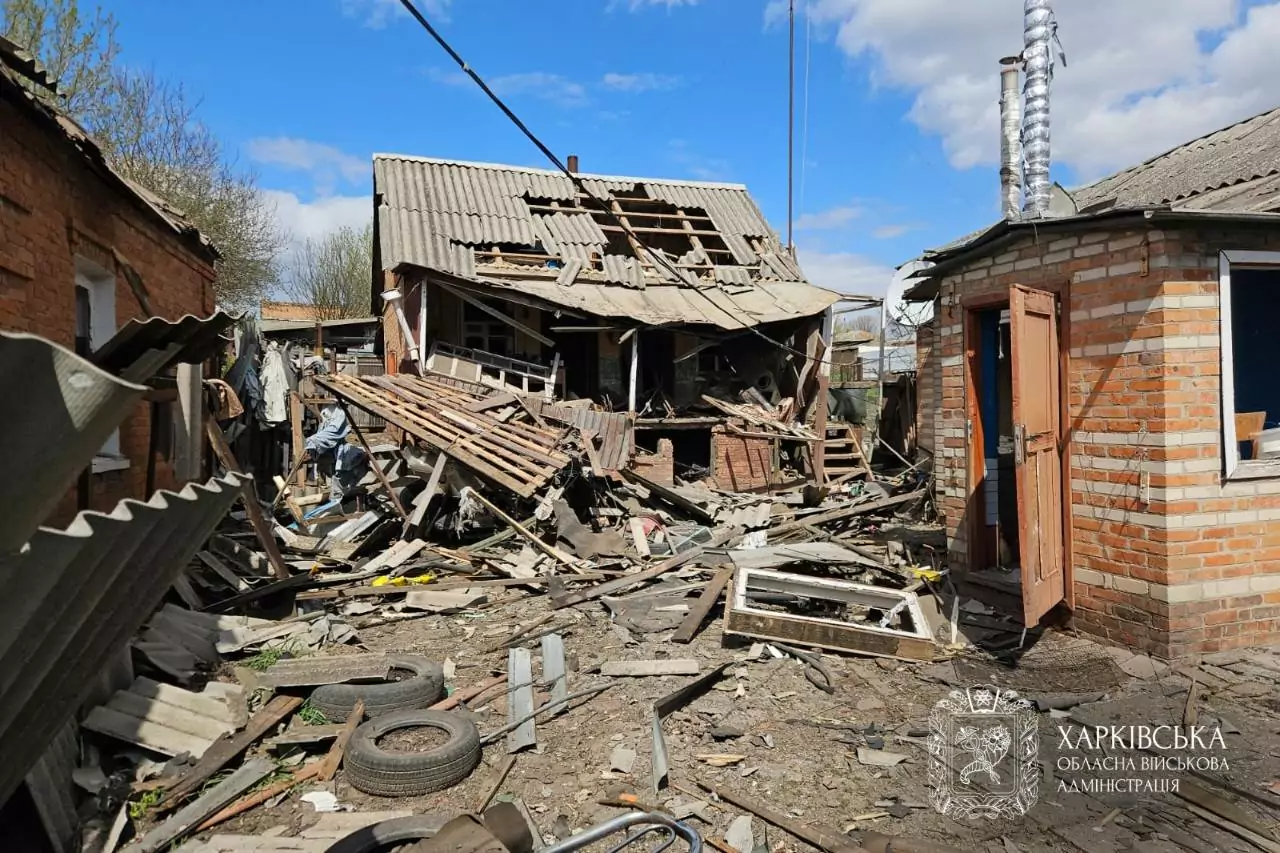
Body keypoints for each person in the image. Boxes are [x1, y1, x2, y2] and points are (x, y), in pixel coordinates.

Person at [302, 405, 370, 502]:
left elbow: (335, 430)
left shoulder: (339, 415)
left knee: (340, 479)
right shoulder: (329, 417)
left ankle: (338, 499)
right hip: (335, 455)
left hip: (343, 460)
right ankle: (338, 499)